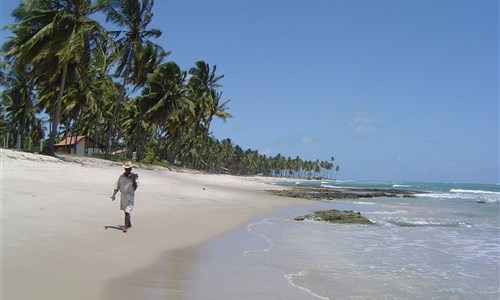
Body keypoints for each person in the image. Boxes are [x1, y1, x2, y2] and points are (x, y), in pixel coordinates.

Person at [111, 161, 138, 233]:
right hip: (123, 195)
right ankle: (129, 224)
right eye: (126, 168)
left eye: (129, 168)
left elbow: (135, 188)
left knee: (127, 211)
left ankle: (125, 227)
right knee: (126, 211)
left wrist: (134, 179)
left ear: (131, 168)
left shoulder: (135, 176)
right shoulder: (121, 176)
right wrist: (113, 195)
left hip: (130, 196)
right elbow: (117, 186)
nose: (127, 169)